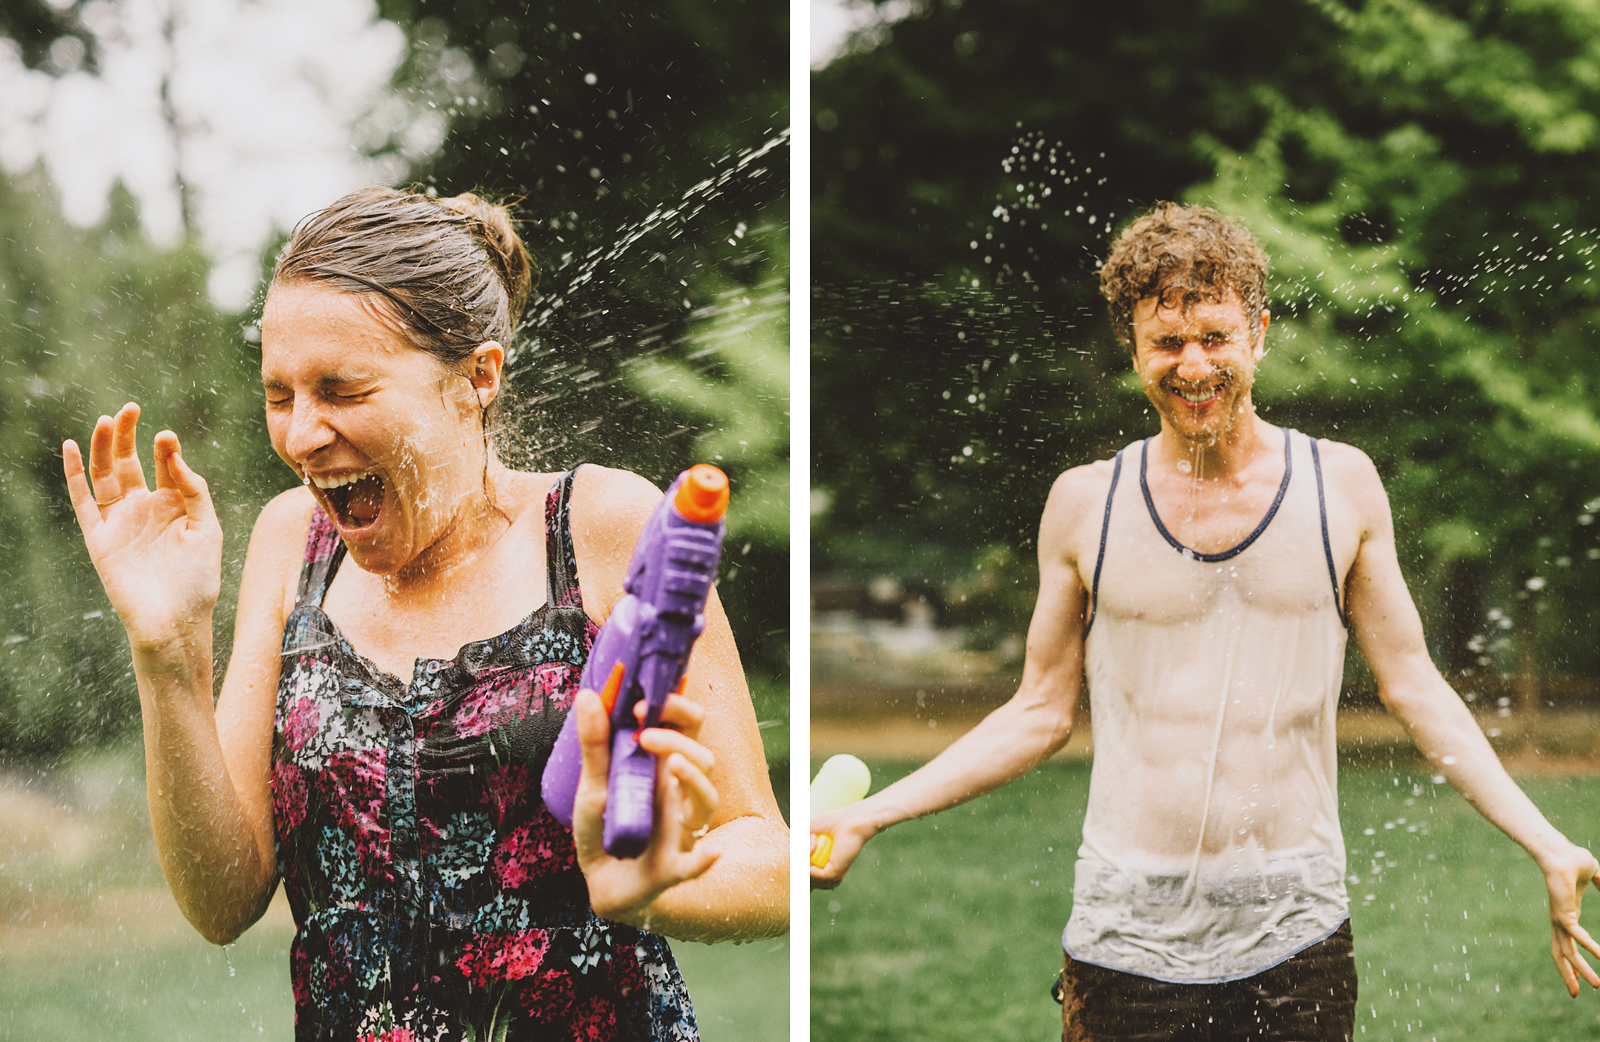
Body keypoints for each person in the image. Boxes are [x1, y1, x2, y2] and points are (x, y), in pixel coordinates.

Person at [810, 202, 1600, 1040]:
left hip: (1297, 938)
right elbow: (1039, 712)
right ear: (1135, 350)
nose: (1194, 364)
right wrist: (868, 813)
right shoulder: (1085, 505)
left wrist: (1545, 839)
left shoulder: (1342, 486)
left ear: (1259, 332)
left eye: (1216, 336)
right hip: (1126, 942)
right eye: (1168, 342)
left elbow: (1416, 687)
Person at [64, 187, 787, 1040]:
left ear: (477, 377)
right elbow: (223, 897)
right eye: (280, 394)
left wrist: (662, 884)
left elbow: (765, 852)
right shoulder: (288, 544)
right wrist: (169, 649)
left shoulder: (601, 526)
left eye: (341, 388)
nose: (301, 434)